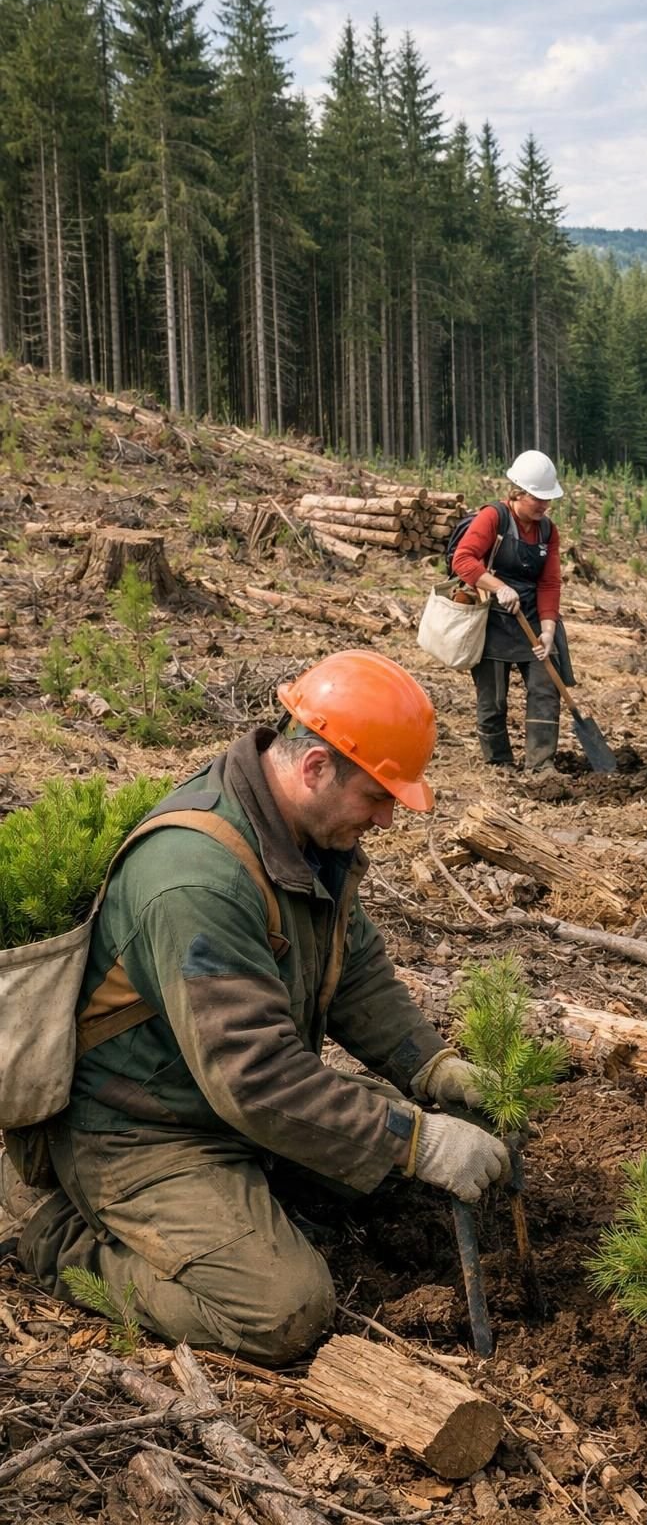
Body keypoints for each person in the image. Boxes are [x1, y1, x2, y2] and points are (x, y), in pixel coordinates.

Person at [0, 650, 511, 1365]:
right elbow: (255, 1079)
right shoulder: (195, 880)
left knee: (381, 1181)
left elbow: (354, 969)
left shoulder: (306, 837)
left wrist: (432, 1069)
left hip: (213, 1097)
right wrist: (416, 1141)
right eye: (378, 796)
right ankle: (52, 1230)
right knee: (283, 1311)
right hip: (135, 1129)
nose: (388, 819)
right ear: (314, 769)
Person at [452, 449, 573, 774]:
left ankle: (541, 763)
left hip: (532, 618)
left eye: (549, 499)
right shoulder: (494, 517)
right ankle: (498, 762)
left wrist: (548, 631)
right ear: (518, 492)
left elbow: (549, 583)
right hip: (492, 620)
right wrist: (498, 587)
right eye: (538, 498)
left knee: (546, 687)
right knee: (493, 699)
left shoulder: (548, 531)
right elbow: (463, 559)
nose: (545, 505)